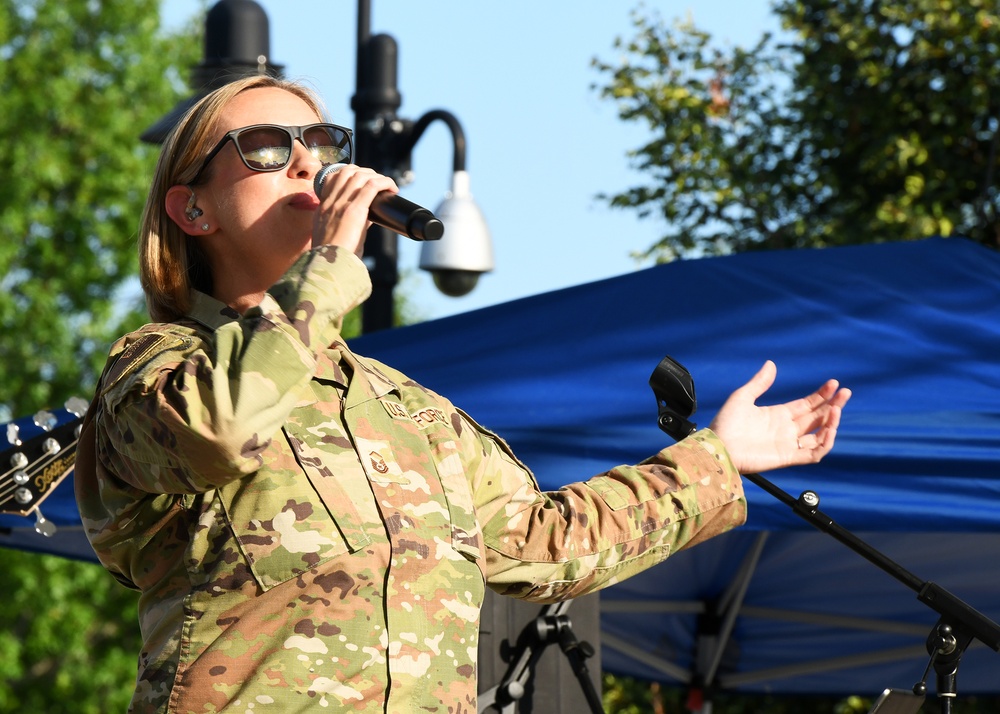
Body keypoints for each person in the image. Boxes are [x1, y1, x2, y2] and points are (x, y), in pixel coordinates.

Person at [74, 75, 851, 714]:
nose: (308, 162)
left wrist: (719, 461)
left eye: (321, 143)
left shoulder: (402, 408)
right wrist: (331, 269)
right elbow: (220, 428)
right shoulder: (156, 370)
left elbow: (543, 542)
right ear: (192, 209)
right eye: (266, 148)